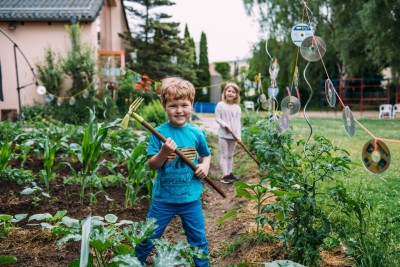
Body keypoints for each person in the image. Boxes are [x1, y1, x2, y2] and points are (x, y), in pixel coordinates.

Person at [135, 77, 211, 266]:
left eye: (184, 105)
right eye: (173, 105)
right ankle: (133, 263)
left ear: (191, 105)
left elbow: (206, 155)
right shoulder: (157, 133)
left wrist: (205, 166)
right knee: (146, 239)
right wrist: (164, 152)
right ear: (164, 106)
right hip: (163, 201)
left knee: (198, 241)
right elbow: (152, 165)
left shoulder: (196, 133)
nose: (179, 110)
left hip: (190, 199)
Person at [215, 82, 242, 184]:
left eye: (233, 92)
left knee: (230, 155)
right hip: (223, 135)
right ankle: (225, 175)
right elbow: (217, 118)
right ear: (225, 92)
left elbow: (238, 123)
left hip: (233, 136)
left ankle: (229, 173)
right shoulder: (220, 105)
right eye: (229, 91)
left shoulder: (237, 107)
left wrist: (238, 136)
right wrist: (225, 125)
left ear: (236, 94)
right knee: (224, 155)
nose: (230, 93)